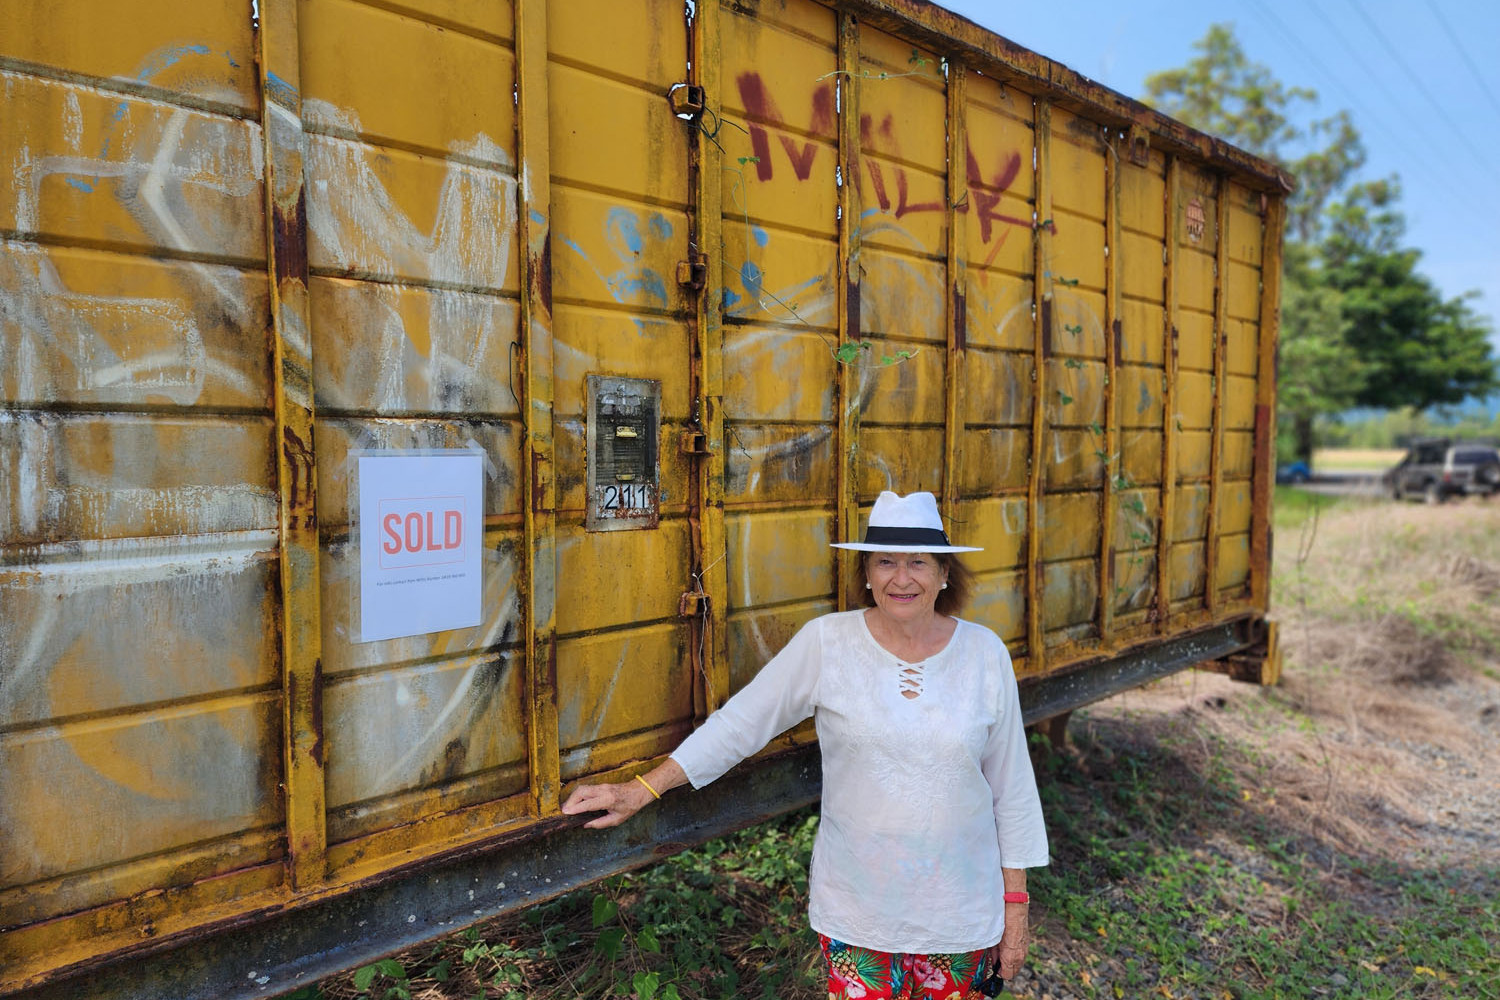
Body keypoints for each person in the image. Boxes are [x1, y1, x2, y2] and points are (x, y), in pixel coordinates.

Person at [562, 491, 1049, 999]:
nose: (901, 579)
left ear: (945, 574)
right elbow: (741, 725)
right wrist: (640, 790)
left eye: (918, 563)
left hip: (960, 912)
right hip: (859, 912)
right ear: (865, 572)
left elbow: (1010, 788)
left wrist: (1015, 902)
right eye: (885, 562)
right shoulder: (828, 644)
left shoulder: (984, 653)